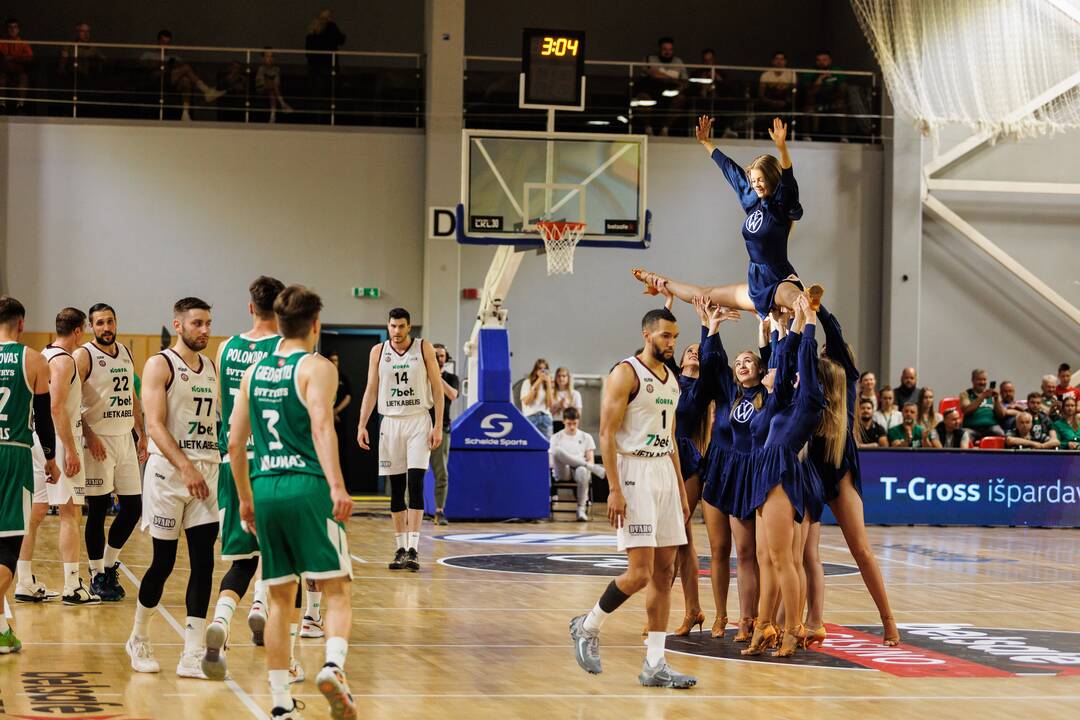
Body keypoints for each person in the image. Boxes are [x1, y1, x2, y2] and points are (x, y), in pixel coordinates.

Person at [228, 285, 356, 720]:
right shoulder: (315, 368)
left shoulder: (253, 372)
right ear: (315, 325)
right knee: (337, 587)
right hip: (306, 485)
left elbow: (234, 443)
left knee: (278, 598)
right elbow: (323, 427)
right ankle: (334, 667)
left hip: (264, 487)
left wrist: (245, 498)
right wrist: (337, 486)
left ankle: (281, 702)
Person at [569, 307, 696, 688]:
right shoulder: (625, 373)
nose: (671, 343)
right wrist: (614, 488)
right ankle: (588, 626)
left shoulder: (671, 379)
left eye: (675, 337)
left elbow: (670, 438)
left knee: (665, 573)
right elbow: (606, 434)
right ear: (646, 335)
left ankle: (655, 662)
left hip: (664, 475)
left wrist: (680, 489)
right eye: (664, 337)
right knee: (640, 573)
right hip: (634, 471)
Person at [633, 115, 823, 320]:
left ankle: (807, 298)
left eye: (761, 180)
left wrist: (782, 149)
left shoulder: (780, 205)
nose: (756, 184)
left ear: (771, 178)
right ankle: (656, 279)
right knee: (705, 295)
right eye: (754, 180)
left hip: (778, 277)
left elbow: (788, 180)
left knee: (793, 298)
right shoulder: (753, 202)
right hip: (756, 281)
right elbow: (731, 171)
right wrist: (706, 142)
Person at [126, 297, 220, 679]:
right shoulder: (159, 364)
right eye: (197, 323)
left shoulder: (212, 366)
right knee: (163, 563)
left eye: (209, 323)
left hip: (207, 472)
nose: (205, 330)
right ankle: (139, 636)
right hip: (169, 474)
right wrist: (185, 467)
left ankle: (193, 652)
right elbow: (154, 426)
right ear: (178, 325)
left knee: (204, 562)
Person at [202, 276, 290, 681]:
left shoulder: (226, 348)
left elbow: (223, 403)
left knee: (242, 556)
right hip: (274, 462)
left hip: (232, 459)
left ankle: (222, 617)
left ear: (250, 307)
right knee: (281, 560)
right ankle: (264, 614)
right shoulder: (287, 350)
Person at [804, 304, 899, 648]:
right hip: (810, 469)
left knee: (861, 549)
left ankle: (888, 620)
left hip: (840, 467)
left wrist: (817, 309)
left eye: (831, 348)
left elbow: (835, 335)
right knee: (807, 554)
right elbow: (803, 346)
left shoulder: (848, 375)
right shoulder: (811, 373)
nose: (826, 348)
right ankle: (814, 620)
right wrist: (799, 319)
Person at [742, 296, 824, 658]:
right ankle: (764, 626)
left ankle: (793, 629)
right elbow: (783, 355)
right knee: (764, 557)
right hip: (763, 473)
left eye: (780, 368)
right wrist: (780, 326)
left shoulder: (807, 401)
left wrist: (807, 322)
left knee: (783, 559)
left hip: (781, 473)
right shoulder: (778, 403)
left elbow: (799, 357)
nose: (770, 367)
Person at [15, 308, 99, 606]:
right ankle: (72, 585)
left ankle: (24, 581)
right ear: (78, 330)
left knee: (35, 511)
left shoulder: (43, 353)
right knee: (69, 512)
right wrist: (70, 450)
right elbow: (56, 407)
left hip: (37, 441)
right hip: (59, 442)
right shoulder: (64, 361)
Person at [697, 303, 771, 643]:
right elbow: (711, 363)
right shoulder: (728, 392)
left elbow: (777, 366)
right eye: (738, 362)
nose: (741, 365)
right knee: (723, 551)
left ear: (759, 370)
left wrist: (765, 338)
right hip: (721, 473)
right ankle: (731, 617)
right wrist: (712, 328)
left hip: (751, 475)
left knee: (749, 553)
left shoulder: (768, 396)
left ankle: (752, 619)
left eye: (748, 361)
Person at [357, 308, 443, 572]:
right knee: (395, 487)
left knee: (414, 483)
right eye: (392, 326)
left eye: (401, 326)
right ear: (388, 326)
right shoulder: (378, 351)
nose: (396, 331)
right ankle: (400, 547)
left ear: (409, 327)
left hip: (418, 420)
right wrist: (362, 423)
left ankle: (414, 549)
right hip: (390, 422)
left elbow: (438, 387)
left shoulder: (424, 348)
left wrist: (438, 425)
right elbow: (371, 389)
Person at [0, 296, 61, 654]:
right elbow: (43, 414)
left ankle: (4, 631)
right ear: (22, 324)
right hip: (14, 454)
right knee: (8, 547)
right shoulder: (34, 359)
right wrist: (50, 458)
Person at [74, 303, 147, 602]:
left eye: (111, 321)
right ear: (91, 326)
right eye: (100, 323)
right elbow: (70, 400)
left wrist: (141, 433)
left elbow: (131, 395)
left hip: (125, 438)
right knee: (98, 509)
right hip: (98, 440)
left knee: (133, 508)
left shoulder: (126, 352)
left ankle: (108, 564)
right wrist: (88, 435)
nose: (107, 327)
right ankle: (95, 574)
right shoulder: (84, 355)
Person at [139, 30, 225, 121]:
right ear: (158, 42)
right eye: (163, 42)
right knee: (186, 68)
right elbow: (144, 67)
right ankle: (207, 90)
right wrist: (160, 63)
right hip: (156, 81)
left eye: (168, 43)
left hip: (171, 82)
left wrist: (171, 65)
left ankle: (185, 113)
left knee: (185, 81)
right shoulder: (148, 54)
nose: (165, 45)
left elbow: (182, 67)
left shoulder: (174, 57)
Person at [549, 407, 605, 522]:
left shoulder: (586, 437)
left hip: (579, 471)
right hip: (562, 471)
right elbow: (551, 463)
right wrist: (574, 462)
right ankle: (592, 469)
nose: (572, 427)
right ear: (563, 421)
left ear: (578, 421)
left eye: (574, 423)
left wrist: (582, 464)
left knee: (583, 470)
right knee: (557, 451)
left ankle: (581, 509)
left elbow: (591, 459)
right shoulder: (556, 437)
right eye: (569, 423)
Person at [429, 343, 459, 525]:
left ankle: (439, 511)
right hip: (421, 428)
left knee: (442, 473)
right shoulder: (421, 377)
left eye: (441, 356)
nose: (439, 358)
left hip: (442, 428)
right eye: (435, 355)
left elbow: (453, 394)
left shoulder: (451, 378)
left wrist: (437, 377)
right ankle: (409, 509)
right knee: (413, 472)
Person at [636, 37, 687, 136]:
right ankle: (648, 128)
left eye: (670, 49)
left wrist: (678, 86)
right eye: (664, 49)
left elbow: (684, 81)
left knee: (681, 99)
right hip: (652, 90)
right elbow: (652, 73)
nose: (667, 52)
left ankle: (665, 129)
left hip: (671, 92)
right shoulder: (649, 59)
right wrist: (671, 78)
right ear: (659, 49)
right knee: (643, 98)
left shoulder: (678, 62)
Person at [305, 9, 346, 114]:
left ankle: (322, 116)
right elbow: (341, 40)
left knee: (323, 95)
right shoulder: (330, 28)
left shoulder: (322, 30)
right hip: (323, 69)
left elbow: (308, 52)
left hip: (321, 69)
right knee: (324, 94)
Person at [802, 50, 847, 141]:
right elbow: (810, 93)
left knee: (841, 106)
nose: (822, 62)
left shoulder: (836, 71)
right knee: (807, 109)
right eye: (819, 60)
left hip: (832, 100)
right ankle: (806, 136)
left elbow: (842, 90)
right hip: (816, 101)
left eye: (824, 60)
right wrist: (819, 80)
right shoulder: (810, 72)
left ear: (830, 61)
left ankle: (844, 136)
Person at [57, 22, 106, 90]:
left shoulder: (93, 47)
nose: (86, 34)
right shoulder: (68, 46)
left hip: (89, 81)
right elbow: (62, 65)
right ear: (77, 32)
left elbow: (103, 60)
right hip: (72, 79)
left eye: (88, 31)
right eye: (83, 31)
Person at [959, 369, 1006, 439]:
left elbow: (1001, 415)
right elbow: (966, 410)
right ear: (973, 380)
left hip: (991, 427)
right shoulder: (965, 394)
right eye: (979, 380)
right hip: (971, 428)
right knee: (964, 436)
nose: (982, 382)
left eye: (984, 380)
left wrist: (996, 400)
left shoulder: (992, 395)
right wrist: (982, 396)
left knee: (1000, 433)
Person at [0, 18, 32, 114]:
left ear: (18, 29)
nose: (12, 29)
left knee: (24, 78)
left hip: (18, 71)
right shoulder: (1, 41)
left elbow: (30, 56)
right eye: (10, 27)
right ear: (6, 29)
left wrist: (15, 58)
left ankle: (20, 105)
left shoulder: (23, 43)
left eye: (15, 27)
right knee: (1, 78)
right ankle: (2, 104)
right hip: (4, 70)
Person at [256, 48, 293, 123]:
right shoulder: (261, 68)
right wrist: (269, 82)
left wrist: (272, 83)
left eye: (271, 56)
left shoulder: (276, 69)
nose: (269, 59)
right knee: (271, 85)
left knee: (272, 92)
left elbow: (277, 83)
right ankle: (283, 104)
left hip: (273, 91)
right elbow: (260, 83)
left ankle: (272, 116)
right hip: (262, 89)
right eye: (267, 56)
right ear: (263, 58)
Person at [520, 359, 554, 438]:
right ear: (535, 370)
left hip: (545, 418)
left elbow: (550, 404)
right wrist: (538, 381)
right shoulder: (527, 382)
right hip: (531, 417)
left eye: (544, 369)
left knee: (547, 446)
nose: (542, 371)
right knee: (530, 443)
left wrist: (548, 384)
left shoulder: (547, 385)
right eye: (540, 368)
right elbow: (527, 401)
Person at [551, 367, 582, 434]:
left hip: (569, 424)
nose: (561, 378)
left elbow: (578, 414)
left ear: (568, 378)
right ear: (556, 378)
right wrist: (559, 406)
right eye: (559, 376)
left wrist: (566, 408)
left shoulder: (575, 394)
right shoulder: (551, 394)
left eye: (564, 376)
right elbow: (548, 414)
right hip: (554, 423)